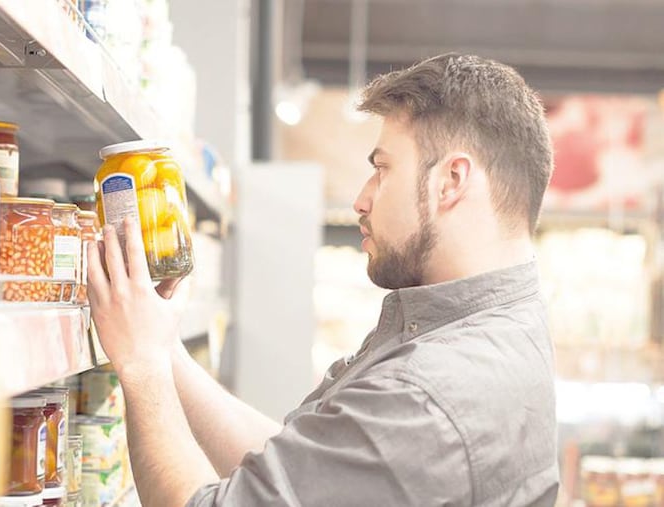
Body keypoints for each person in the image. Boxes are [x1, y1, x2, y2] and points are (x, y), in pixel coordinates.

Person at [86, 53, 558, 507]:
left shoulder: (429, 395)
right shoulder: (498, 325)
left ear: (451, 180)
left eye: (382, 169)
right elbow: (298, 482)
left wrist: (142, 365)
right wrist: (164, 348)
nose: (361, 200)